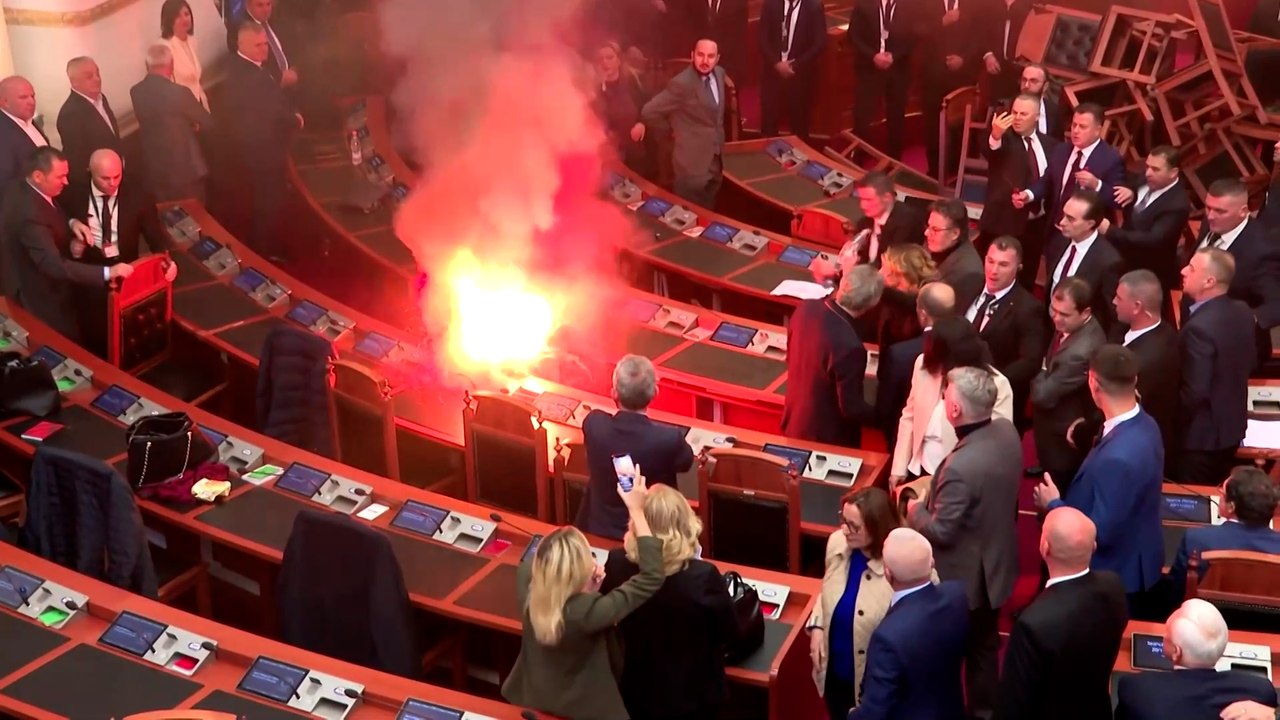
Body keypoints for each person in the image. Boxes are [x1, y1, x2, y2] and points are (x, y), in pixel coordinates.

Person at [907, 366, 1020, 720]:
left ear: (954, 410)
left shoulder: (961, 466)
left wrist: (913, 509)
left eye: (946, 396)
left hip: (966, 579)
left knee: (955, 650)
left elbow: (941, 530)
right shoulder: (1005, 431)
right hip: (995, 561)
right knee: (985, 648)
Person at [502, 475, 663, 720]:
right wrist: (636, 510)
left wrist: (586, 590)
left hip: (533, 698)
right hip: (585, 711)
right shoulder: (589, 611)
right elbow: (652, 575)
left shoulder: (528, 582)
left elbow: (535, 569)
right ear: (579, 571)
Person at [1035, 345, 1163, 612]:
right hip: (1137, 550)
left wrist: (1054, 505)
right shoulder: (1146, 423)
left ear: (1093, 383)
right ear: (1134, 380)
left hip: (1116, 572)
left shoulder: (1119, 456)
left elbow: (1100, 532)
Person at [601, 485, 736, 720]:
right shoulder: (702, 576)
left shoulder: (616, 563)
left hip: (633, 692)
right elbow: (730, 633)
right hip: (693, 699)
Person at [995, 507, 1128, 720]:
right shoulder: (1113, 585)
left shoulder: (1033, 623)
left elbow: (1014, 702)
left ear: (1044, 547)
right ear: (1093, 547)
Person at [807, 487, 920, 719]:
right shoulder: (837, 543)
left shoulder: (905, 562)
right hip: (835, 673)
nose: (843, 529)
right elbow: (827, 587)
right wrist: (817, 625)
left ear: (877, 527)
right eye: (843, 519)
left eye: (853, 526)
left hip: (877, 686)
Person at [0, 147, 132, 344]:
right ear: (38, 176)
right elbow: (54, 265)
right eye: (60, 177)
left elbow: (50, 209)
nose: (66, 182)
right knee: (65, 344)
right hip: (39, 295)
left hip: (38, 281)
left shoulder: (22, 186)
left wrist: (72, 222)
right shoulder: (30, 217)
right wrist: (108, 272)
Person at [57, 149, 178, 357]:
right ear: (90, 172)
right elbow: (59, 214)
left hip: (125, 271)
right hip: (88, 272)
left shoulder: (138, 195)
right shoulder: (73, 192)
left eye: (117, 177)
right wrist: (72, 225)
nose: (113, 184)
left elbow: (155, 235)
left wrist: (168, 260)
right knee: (91, 333)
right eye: (105, 179)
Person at [848, 528, 968, 720]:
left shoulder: (887, 638)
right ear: (932, 563)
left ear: (888, 574)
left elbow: (874, 711)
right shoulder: (958, 596)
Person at [578, 355, 694, 540]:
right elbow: (686, 462)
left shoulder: (594, 424)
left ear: (614, 392)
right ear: (654, 393)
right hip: (652, 535)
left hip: (597, 529)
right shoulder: (668, 439)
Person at [890, 318, 1014, 485]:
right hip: (920, 470)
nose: (940, 370)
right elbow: (909, 416)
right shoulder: (924, 364)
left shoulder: (996, 384)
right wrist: (899, 466)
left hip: (961, 477)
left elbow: (997, 444)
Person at [219, 21, 303, 262]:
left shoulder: (240, 66)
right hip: (262, 152)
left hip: (254, 149)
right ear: (240, 44)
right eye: (257, 45)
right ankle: (264, 253)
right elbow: (274, 110)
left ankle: (264, 247)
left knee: (266, 200)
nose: (263, 49)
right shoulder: (253, 77)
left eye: (265, 44)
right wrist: (295, 119)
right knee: (268, 202)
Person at [1114, 600, 1278, 720]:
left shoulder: (1137, 691)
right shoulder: (1261, 691)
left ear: (1176, 652)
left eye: (1167, 634)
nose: (1164, 636)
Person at [782, 264, 883, 448]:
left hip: (795, 421)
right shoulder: (850, 347)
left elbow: (790, 357)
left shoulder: (807, 307)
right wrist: (886, 416)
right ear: (873, 303)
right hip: (826, 439)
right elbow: (851, 408)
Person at [1177, 249, 1256, 485]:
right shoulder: (1242, 312)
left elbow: (1195, 392)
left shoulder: (1198, 329)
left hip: (1200, 440)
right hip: (1232, 430)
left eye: (1191, 268)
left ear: (1209, 281)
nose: (1183, 271)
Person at [1183, 178, 1280, 365]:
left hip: (1229, 352)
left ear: (1243, 211)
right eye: (1208, 207)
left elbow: (1276, 304)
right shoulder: (1212, 222)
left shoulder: (1262, 250)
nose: (1210, 215)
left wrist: (1239, 319)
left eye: (1220, 211)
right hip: (1195, 333)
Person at [1030, 277, 1105, 492]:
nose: (1056, 318)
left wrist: (1043, 370)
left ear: (1085, 312)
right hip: (1052, 426)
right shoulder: (1071, 325)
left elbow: (1041, 394)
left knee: (1058, 489)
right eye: (1053, 309)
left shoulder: (1080, 351)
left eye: (1064, 314)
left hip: (1061, 436)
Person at [1099, 146, 1189, 318]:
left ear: (1173, 172)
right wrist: (1130, 191)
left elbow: (1153, 239)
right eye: (1147, 166)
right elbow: (1133, 184)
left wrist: (1111, 231)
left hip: (1146, 269)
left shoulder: (1177, 204)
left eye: (1155, 169)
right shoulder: (1147, 179)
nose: (1148, 173)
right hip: (1121, 259)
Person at [976, 93, 1055, 286]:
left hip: (1036, 224)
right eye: (1015, 113)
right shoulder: (1005, 139)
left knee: (1027, 277)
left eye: (1023, 114)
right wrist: (995, 134)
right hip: (1003, 224)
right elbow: (991, 149)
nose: (1017, 118)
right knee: (993, 279)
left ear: (1037, 116)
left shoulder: (1050, 144)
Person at [640, 39, 728, 208]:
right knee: (691, 219)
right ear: (692, 55)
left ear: (717, 59)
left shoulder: (719, 73)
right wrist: (671, 131)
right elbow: (648, 112)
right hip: (690, 164)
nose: (705, 61)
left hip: (716, 159)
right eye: (700, 55)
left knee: (710, 213)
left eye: (710, 56)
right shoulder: (681, 84)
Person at [1013, 103, 1126, 235]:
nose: (1076, 131)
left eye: (1082, 127)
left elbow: (1117, 200)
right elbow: (1047, 181)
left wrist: (1097, 184)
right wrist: (1028, 195)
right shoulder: (1061, 150)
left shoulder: (1111, 159)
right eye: (1074, 125)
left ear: (1097, 130)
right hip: (1056, 228)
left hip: (1084, 235)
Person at [970, 236, 1048, 427]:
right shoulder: (969, 284)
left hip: (995, 400)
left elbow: (1030, 362)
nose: (994, 270)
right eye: (990, 261)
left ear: (1018, 267)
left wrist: (991, 382)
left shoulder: (1028, 308)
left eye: (1003, 265)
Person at [1167, 466, 1280, 591]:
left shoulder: (1196, 539)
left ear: (1231, 507)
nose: (1220, 495)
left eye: (1222, 493)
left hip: (1205, 610)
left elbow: (1176, 590)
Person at [131, 42, 215, 203]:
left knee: (171, 219)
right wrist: (193, 126)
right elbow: (207, 122)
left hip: (157, 172)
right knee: (196, 219)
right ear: (171, 65)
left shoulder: (136, 92)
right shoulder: (179, 93)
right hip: (186, 171)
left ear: (147, 65)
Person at [876, 281, 955, 450]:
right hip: (950, 440)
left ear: (923, 314)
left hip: (904, 437)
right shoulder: (965, 348)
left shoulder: (899, 354)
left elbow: (885, 407)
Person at [1043, 189, 1122, 331]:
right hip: (1049, 327)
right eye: (1064, 215)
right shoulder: (1060, 240)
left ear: (1090, 224)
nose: (1062, 222)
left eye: (1071, 219)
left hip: (1080, 338)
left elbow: (1113, 316)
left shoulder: (1108, 261)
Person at [918, 0, 981, 178]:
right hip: (932, 77)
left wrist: (964, 59)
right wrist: (941, 22)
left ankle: (959, 170)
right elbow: (915, 30)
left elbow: (980, 36)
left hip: (963, 75)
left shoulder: (974, 4)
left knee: (961, 125)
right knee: (932, 127)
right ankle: (935, 172)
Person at [846, 0, 915, 159]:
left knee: (896, 118)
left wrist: (894, 56)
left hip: (898, 70)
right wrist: (873, 56)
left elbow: (914, 37)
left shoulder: (909, 5)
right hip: (869, 69)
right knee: (862, 117)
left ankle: (894, 162)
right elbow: (853, 36)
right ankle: (858, 162)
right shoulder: (864, 4)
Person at [757, 0, 827, 143]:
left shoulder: (814, 6)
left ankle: (799, 160)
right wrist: (776, 64)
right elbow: (762, 38)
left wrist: (794, 65)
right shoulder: (771, 4)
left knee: (799, 126)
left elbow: (819, 43)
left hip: (800, 75)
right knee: (769, 124)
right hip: (772, 73)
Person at [593, 41, 654, 178]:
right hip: (610, 153)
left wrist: (641, 123)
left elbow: (650, 106)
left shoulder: (634, 81)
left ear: (619, 60)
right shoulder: (595, 89)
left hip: (636, 149)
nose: (605, 63)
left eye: (610, 58)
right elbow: (594, 121)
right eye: (600, 59)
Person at [55, 57, 122, 179]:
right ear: (74, 82)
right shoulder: (69, 114)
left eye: (97, 73)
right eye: (89, 76)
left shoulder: (102, 99)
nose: (97, 79)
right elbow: (78, 160)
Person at [850, 171, 925, 267]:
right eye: (861, 199)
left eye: (868, 200)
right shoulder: (864, 223)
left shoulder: (907, 221)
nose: (862, 205)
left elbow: (894, 264)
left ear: (887, 197)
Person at [923, 198, 983, 310]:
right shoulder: (934, 244)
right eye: (928, 226)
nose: (926, 233)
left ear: (955, 233)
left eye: (935, 229)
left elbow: (946, 315)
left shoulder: (969, 273)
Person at [876, 243, 937, 348]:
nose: (880, 272)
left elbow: (907, 301)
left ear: (899, 271)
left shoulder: (922, 305)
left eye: (884, 267)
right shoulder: (891, 300)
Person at [225, 0, 297, 88]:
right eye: (260, 5)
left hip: (294, 80)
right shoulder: (238, 30)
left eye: (268, 4)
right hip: (267, 89)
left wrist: (294, 69)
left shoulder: (277, 18)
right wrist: (279, 78)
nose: (266, 9)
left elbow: (293, 45)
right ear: (248, 5)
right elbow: (245, 66)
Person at [0, 76, 48, 206]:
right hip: (25, 209)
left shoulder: (30, 122)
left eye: (32, 96)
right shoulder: (3, 131)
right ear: (4, 101)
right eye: (23, 97)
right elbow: (6, 181)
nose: (31, 102)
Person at [981, 1, 1035, 102]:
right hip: (996, 67)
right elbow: (980, 32)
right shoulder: (989, 4)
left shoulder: (1031, 5)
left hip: (1022, 68)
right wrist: (988, 55)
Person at [161, 0, 208, 110]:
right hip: (183, 109)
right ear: (169, 21)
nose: (185, 19)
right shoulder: (166, 48)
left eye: (186, 14)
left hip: (201, 102)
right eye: (178, 16)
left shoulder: (193, 42)